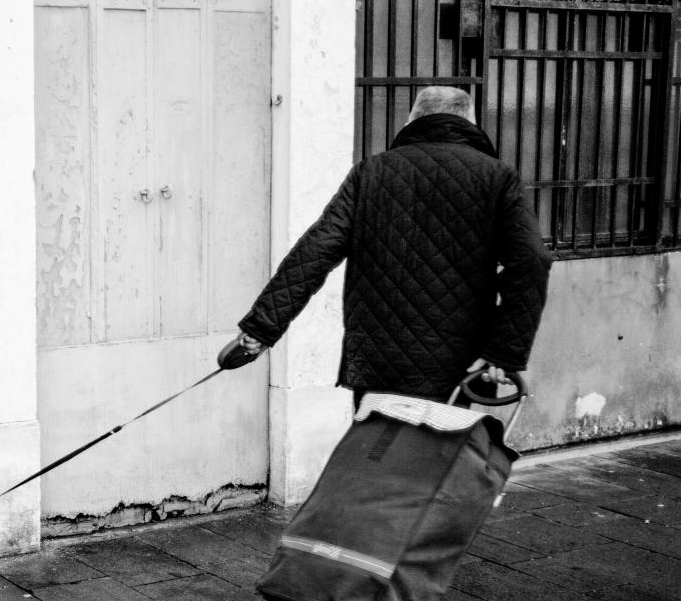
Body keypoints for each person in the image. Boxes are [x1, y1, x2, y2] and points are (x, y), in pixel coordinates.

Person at [227, 86, 552, 402]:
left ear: (411, 121)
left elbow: (315, 251)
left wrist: (261, 329)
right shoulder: (497, 177)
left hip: (377, 361)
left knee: (375, 453)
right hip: (456, 363)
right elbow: (532, 260)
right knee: (440, 451)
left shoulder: (371, 172)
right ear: (470, 122)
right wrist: (503, 352)